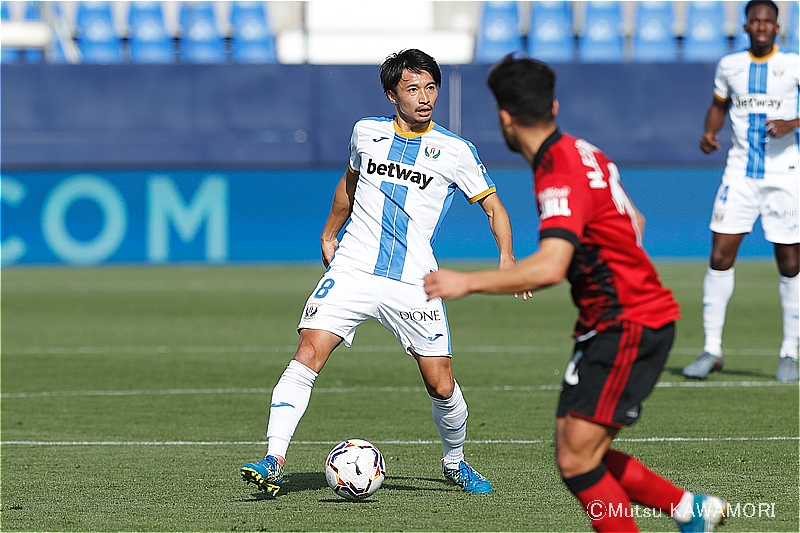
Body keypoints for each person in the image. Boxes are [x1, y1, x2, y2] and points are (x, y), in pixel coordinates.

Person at [424, 54, 727, 532]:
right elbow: (636, 221)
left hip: (628, 321)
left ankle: (689, 512)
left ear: (505, 118)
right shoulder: (586, 151)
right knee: (578, 449)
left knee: (576, 458)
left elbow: (551, 264)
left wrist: (467, 282)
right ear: (555, 106)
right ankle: (690, 510)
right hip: (615, 319)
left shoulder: (557, 167)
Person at [241, 49, 516, 497]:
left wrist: (506, 257)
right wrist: (330, 232)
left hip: (414, 280)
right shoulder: (365, 133)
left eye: (431, 88)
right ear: (392, 94)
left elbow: (492, 206)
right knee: (309, 349)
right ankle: (273, 459)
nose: (424, 98)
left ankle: (455, 462)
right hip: (354, 267)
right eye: (412, 89)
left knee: (440, 381)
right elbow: (349, 185)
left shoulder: (455, 151)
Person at [682, 0, 799, 382]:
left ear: (777, 28)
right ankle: (711, 349)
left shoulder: (793, 64)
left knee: (790, 264)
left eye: (768, 21)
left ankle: (789, 352)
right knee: (719, 256)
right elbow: (719, 104)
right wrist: (709, 132)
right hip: (740, 175)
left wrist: (792, 123)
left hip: (784, 174)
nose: (762, 26)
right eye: (755, 20)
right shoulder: (730, 65)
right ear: (746, 26)